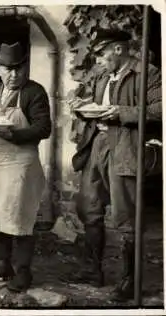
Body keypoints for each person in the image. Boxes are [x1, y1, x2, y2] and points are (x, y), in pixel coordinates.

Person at [68, 29, 162, 301]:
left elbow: (160, 108)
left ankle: (130, 281)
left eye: (101, 53)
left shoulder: (147, 73)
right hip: (96, 143)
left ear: (118, 49)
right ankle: (92, 270)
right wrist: (80, 105)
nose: (97, 59)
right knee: (89, 207)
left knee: (126, 215)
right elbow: (90, 101)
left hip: (124, 146)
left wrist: (122, 112)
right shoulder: (102, 74)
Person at [0, 42, 51, 292]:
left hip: (19, 162)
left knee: (19, 215)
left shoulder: (34, 92)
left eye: (19, 69)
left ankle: (23, 271)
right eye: (9, 69)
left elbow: (43, 128)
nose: (15, 74)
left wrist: (12, 134)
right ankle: (3, 263)